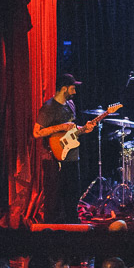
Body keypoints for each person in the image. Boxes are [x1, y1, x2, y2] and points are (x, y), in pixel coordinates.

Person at [32, 73, 111, 223]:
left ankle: (72, 221)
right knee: (54, 194)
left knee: (73, 192)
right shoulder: (48, 108)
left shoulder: (71, 105)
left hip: (73, 155)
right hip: (54, 157)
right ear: (63, 89)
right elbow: (36, 132)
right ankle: (53, 224)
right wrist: (60, 127)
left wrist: (84, 129)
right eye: (72, 88)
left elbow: (71, 131)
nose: (75, 92)